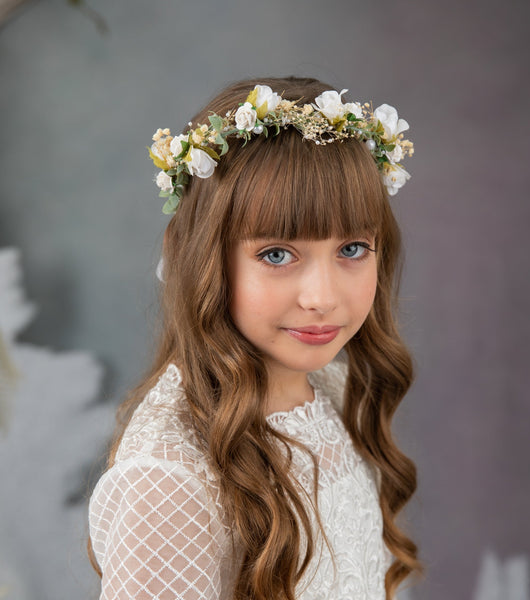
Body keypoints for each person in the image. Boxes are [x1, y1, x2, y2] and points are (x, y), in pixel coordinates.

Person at [88, 76, 420, 600]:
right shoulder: (172, 479)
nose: (323, 297)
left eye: (353, 248)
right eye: (277, 255)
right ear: (201, 257)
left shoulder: (331, 387)